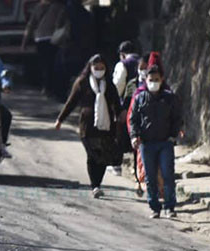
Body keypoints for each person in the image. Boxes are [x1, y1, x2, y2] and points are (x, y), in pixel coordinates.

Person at [55, 54, 122, 197]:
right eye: (96, 67)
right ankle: (94, 186)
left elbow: (116, 103)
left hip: (106, 126)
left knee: (103, 156)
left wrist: (121, 118)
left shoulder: (109, 84)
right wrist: (60, 119)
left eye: (101, 68)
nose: (99, 70)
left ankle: (97, 184)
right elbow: (71, 103)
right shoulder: (82, 83)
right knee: (92, 156)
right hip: (87, 126)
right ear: (90, 68)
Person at [129, 63, 183, 218]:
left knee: (168, 175)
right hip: (146, 144)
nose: (153, 82)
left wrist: (173, 135)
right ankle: (154, 207)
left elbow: (177, 118)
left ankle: (170, 207)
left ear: (162, 79)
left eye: (156, 79)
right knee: (150, 177)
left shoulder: (170, 98)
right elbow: (134, 120)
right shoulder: (139, 99)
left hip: (165, 142)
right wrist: (134, 136)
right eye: (151, 79)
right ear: (145, 80)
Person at [21, 0, 69, 95]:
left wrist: (24, 43)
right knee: (53, 64)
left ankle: (45, 87)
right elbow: (60, 24)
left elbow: (31, 25)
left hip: (39, 39)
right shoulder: (60, 7)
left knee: (44, 64)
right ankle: (51, 87)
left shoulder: (39, 7)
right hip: (52, 39)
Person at [111, 40, 141, 105]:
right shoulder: (143, 62)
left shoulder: (123, 64)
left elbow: (118, 86)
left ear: (122, 54)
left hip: (127, 104)